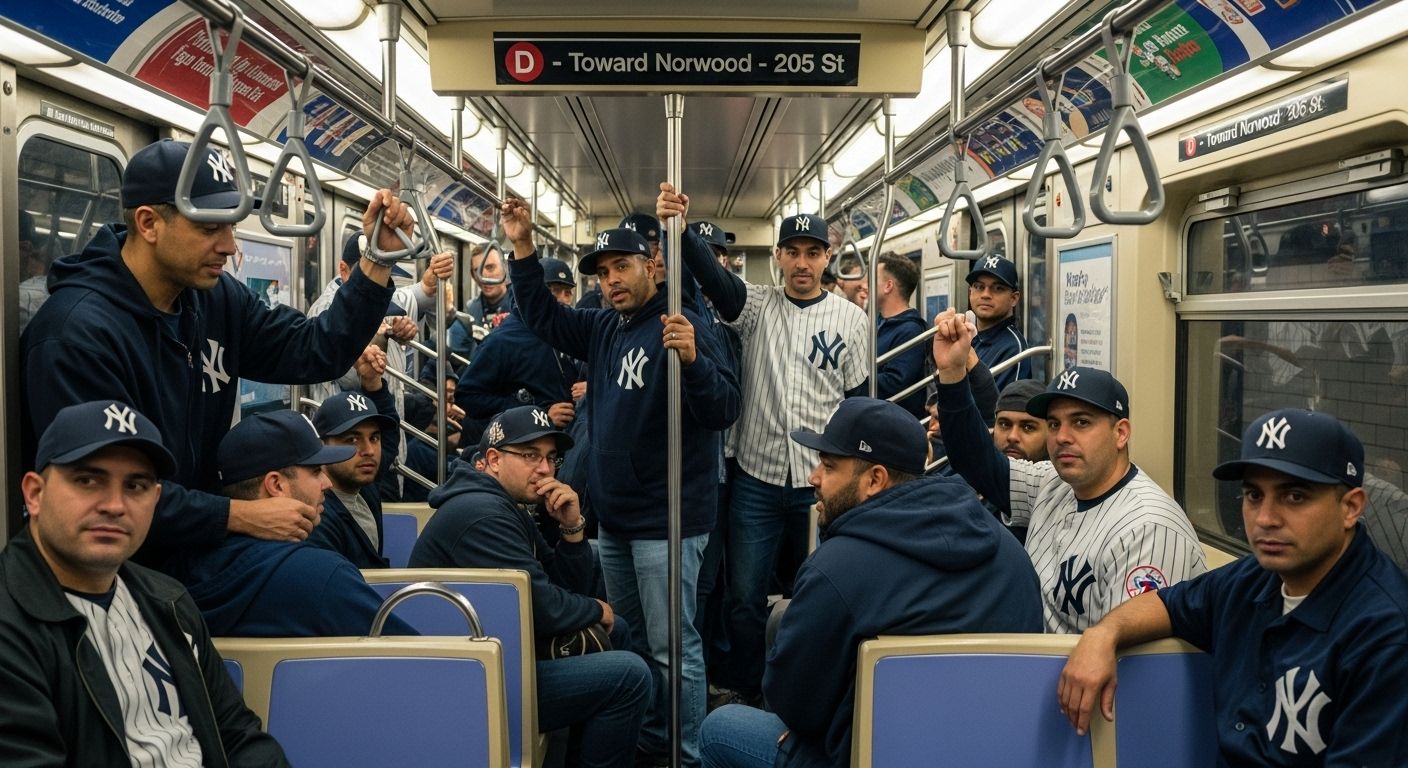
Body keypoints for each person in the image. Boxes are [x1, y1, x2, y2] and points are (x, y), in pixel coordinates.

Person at [19, 138, 411, 581]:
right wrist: (237, 515)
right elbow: (110, 494)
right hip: (112, 572)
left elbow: (315, 348)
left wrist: (375, 262)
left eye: (231, 227)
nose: (229, 246)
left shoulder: (214, 300)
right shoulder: (78, 335)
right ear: (149, 223)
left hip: (191, 556)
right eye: (210, 229)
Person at [502, 198, 740, 767]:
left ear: (652, 265)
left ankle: (685, 752)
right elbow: (542, 316)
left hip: (668, 519)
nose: (611, 281)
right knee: (632, 639)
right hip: (615, 521)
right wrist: (523, 248)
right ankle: (653, 739)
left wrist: (693, 363)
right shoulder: (605, 328)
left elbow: (723, 408)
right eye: (603, 273)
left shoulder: (682, 322)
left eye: (622, 267)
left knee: (673, 647)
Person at [699, 398, 1043, 768]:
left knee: (718, 728)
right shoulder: (1009, 552)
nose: (813, 477)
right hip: (992, 750)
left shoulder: (836, 569)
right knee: (782, 619)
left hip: (872, 754)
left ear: (875, 480)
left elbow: (795, 706)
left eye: (829, 465)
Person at [1059, 409, 1408, 766]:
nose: (1265, 519)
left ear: (1350, 508)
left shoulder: (1385, 632)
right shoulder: (1252, 579)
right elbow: (1168, 605)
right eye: (1254, 496)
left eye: (1294, 497)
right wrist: (1104, 634)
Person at [657, 184, 870, 711]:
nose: (802, 263)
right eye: (792, 252)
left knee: (822, 592)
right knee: (744, 597)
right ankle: (748, 687)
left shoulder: (851, 319)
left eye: (813, 253)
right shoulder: (755, 307)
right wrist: (679, 229)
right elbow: (714, 280)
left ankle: (809, 690)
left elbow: (858, 402)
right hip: (757, 476)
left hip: (823, 482)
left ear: (828, 258)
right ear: (777, 257)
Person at [0, 400, 289, 766]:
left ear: (155, 500)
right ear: (34, 494)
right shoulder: (12, 624)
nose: (114, 505)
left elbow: (239, 735)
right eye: (88, 480)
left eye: (135, 485)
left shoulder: (168, 602)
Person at [931, 308, 1206, 632]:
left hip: (1069, 663)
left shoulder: (1147, 528)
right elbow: (976, 461)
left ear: (1121, 433)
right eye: (1054, 424)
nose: (1062, 436)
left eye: (1081, 422)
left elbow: (1130, 655)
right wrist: (952, 373)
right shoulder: (1054, 482)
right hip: (1027, 649)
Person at [410, 406, 652, 768]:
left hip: (501, 656)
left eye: (551, 458)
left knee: (619, 632)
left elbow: (562, 586)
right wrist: (596, 609)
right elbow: (544, 609)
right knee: (630, 676)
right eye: (530, 455)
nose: (545, 469)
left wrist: (571, 528)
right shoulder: (482, 512)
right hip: (465, 681)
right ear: (494, 460)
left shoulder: (505, 504)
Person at [195, 411, 415, 636]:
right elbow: (413, 652)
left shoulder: (187, 568)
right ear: (276, 485)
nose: (327, 483)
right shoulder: (322, 575)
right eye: (316, 471)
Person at [456, 256, 584, 440]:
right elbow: (468, 396)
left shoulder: (565, 332)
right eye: (555, 291)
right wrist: (537, 414)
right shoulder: (503, 340)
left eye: (567, 292)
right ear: (533, 290)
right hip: (522, 446)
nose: (563, 299)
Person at [305, 350, 401, 569]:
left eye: (374, 438)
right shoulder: (317, 517)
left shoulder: (364, 483)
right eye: (352, 440)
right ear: (322, 447)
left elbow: (389, 437)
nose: (368, 450)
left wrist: (373, 383)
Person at [988, 378, 1050, 543]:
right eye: (1004, 424)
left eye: (1028, 427)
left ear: (1051, 433)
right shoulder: (979, 481)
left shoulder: (1056, 492)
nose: (1012, 436)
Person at [966, 255, 1032, 390]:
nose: (985, 294)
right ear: (970, 293)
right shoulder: (971, 338)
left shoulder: (1013, 349)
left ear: (1014, 299)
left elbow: (1001, 403)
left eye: (998, 288)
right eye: (979, 287)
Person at [874, 253, 928, 418]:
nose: (866, 285)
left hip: (894, 420)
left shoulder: (911, 331)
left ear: (888, 286)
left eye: (873, 279)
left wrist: (853, 377)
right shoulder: (877, 322)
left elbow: (895, 382)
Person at [450, 242, 511, 363]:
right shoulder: (471, 311)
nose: (483, 276)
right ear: (473, 276)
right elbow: (454, 350)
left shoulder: (520, 307)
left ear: (505, 268)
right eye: (477, 270)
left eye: (490, 267)